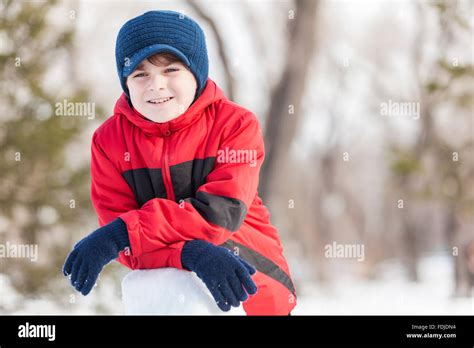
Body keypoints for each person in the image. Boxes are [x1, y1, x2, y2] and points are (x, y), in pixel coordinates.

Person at [63, 10, 296, 315]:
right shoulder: (109, 142)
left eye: (171, 69)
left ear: (196, 73)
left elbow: (220, 213)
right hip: (170, 296)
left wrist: (123, 232)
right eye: (140, 73)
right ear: (126, 82)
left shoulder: (235, 125)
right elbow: (127, 246)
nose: (155, 85)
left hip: (252, 285)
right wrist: (187, 253)